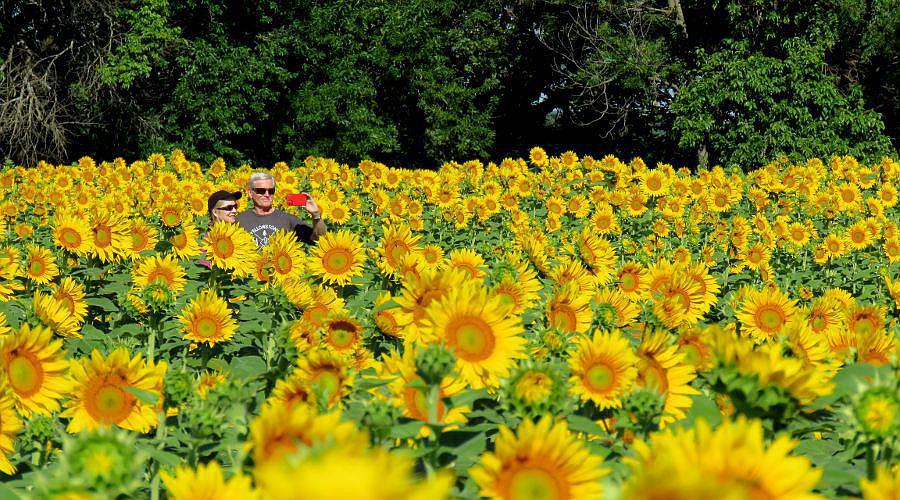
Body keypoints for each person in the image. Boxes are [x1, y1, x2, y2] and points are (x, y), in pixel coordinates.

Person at [236, 172, 326, 248]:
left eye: (271, 191)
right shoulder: (240, 220)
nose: (267, 194)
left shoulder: (288, 219)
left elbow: (318, 238)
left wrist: (316, 214)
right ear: (250, 193)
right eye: (261, 191)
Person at [200, 190, 242, 268]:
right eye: (229, 208)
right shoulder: (207, 242)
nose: (234, 211)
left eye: (235, 206)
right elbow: (203, 270)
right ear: (215, 212)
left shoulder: (237, 237)